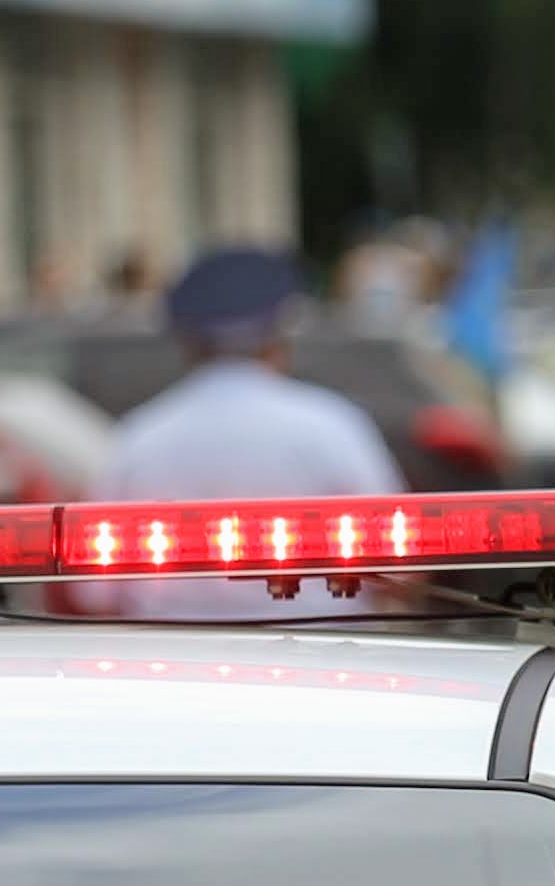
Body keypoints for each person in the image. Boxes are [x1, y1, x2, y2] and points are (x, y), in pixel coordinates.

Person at [88, 243, 399, 622]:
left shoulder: (139, 437)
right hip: (325, 647)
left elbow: (95, 592)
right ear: (278, 337)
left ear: (187, 343)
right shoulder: (332, 425)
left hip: (172, 652)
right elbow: (397, 567)